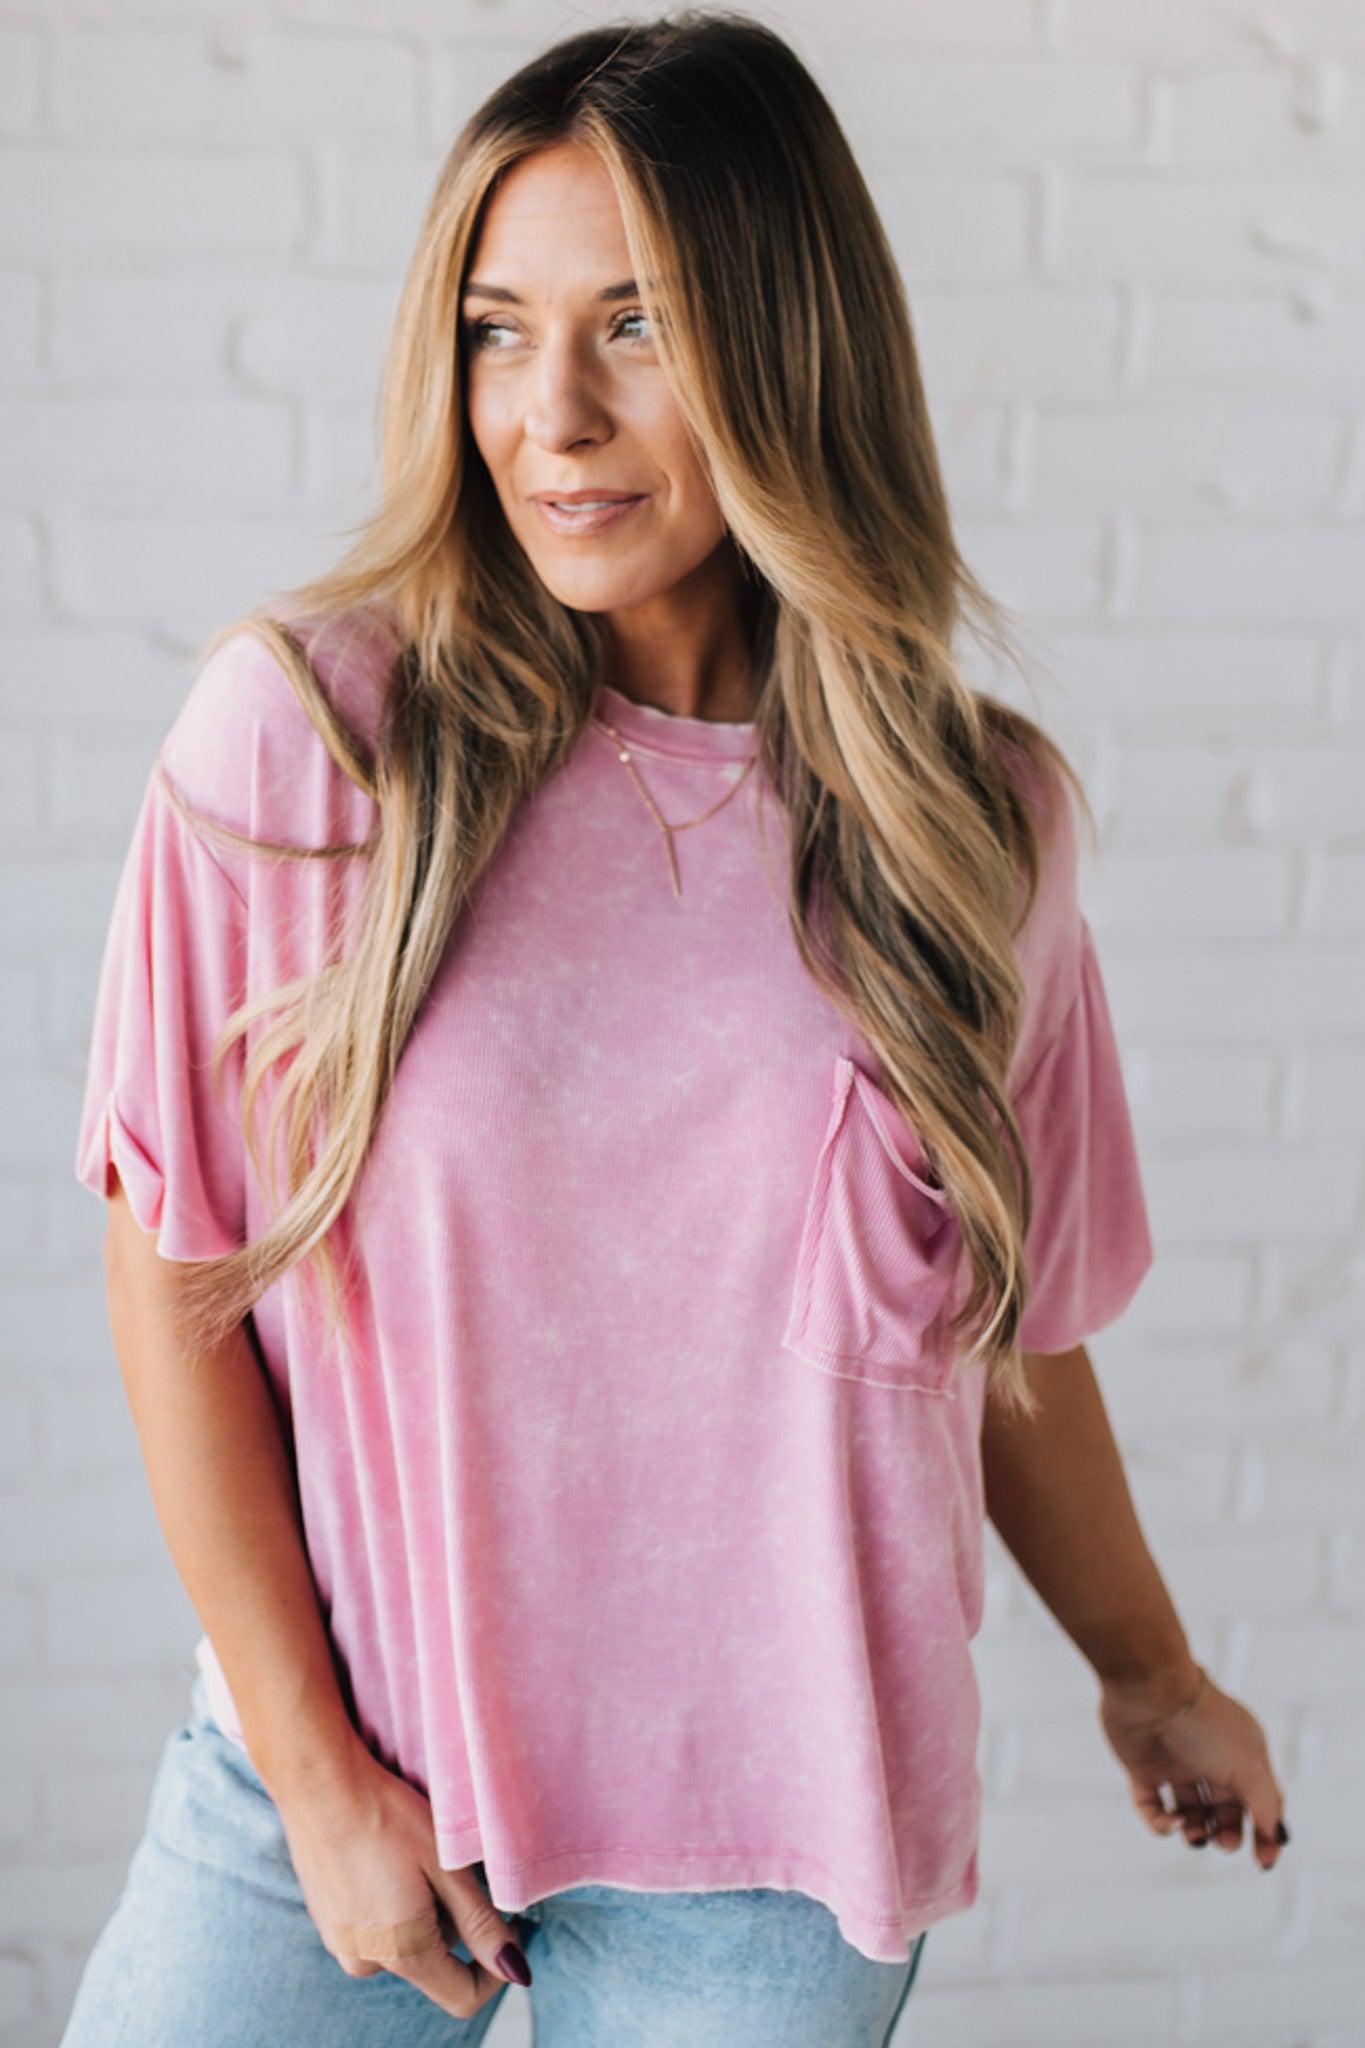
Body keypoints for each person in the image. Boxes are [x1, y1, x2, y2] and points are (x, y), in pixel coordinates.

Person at [60, 11, 1289, 2045]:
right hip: (328, 1806)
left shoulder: (973, 821)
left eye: (634, 327)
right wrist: (313, 1778)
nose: (549, 412)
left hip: (774, 1865)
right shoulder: (308, 742)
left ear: (785, 346)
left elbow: (1000, 1326)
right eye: (493, 327)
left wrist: (1146, 1670)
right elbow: (172, 1267)